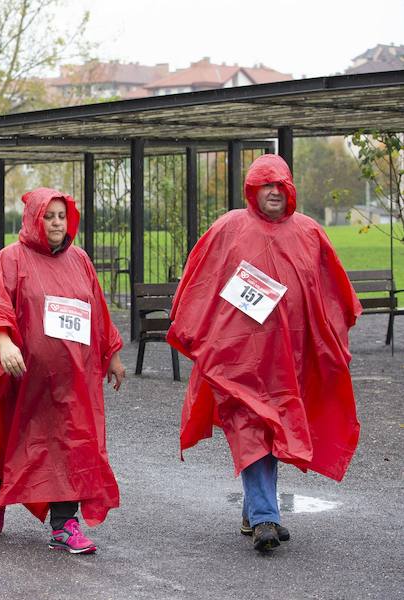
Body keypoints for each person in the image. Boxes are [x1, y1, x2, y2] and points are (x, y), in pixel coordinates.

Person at [166, 154, 362, 552]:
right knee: (251, 426)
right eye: (265, 184)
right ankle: (264, 518)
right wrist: (202, 336)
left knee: (274, 430)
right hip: (239, 360)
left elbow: (332, 294)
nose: (273, 191)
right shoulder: (229, 229)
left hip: (291, 361)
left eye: (280, 185)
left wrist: (331, 345)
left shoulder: (309, 233)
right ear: (252, 189)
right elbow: (200, 283)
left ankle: (257, 507)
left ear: (290, 189)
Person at [0, 188, 125, 554]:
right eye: (48, 216)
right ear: (34, 218)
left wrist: (111, 352)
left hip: (73, 379)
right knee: (21, 442)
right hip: (26, 380)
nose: (55, 223)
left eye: (61, 216)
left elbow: (96, 309)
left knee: (70, 446)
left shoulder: (79, 260)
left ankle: (64, 525)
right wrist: (4, 344)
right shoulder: (10, 259)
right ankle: (0, 490)